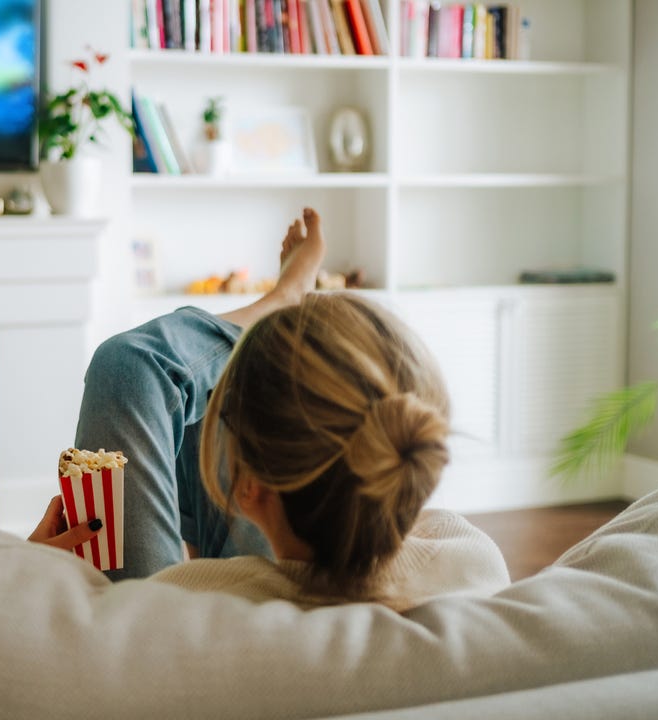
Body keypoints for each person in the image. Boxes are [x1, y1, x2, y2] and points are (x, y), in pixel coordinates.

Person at [30, 209, 508, 610]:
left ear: (249, 488)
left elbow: (102, 623)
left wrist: (30, 567)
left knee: (131, 367)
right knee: (217, 410)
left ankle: (279, 303)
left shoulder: (179, 603)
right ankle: (280, 312)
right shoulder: (475, 560)